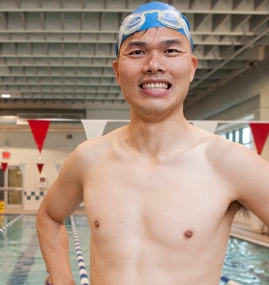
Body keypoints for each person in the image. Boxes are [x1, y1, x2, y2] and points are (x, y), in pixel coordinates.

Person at [36, 2, 269, 284]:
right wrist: (62, 278)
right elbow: (49, 216)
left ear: (192, 67)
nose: (154, 65)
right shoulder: (89, 158)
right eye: (137, 52)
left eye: (171, 50)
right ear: (117, 72)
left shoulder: (230, 162)